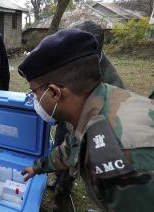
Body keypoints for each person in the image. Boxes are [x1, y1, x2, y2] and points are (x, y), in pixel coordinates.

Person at [20, 29, 154, 211]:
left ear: (54, 92)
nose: (34, 98)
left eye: (34, 92)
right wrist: (37, 168)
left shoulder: (120, 157)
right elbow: (72, 146)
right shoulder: (95, 99)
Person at [50, 20, 125, 211]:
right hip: (66, 122)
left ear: (96, 51)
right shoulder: (72, 57)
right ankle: (59, 182)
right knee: (59, 152)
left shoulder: (113, 84)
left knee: (74, 160)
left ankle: (63, 192)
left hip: (91, 131)